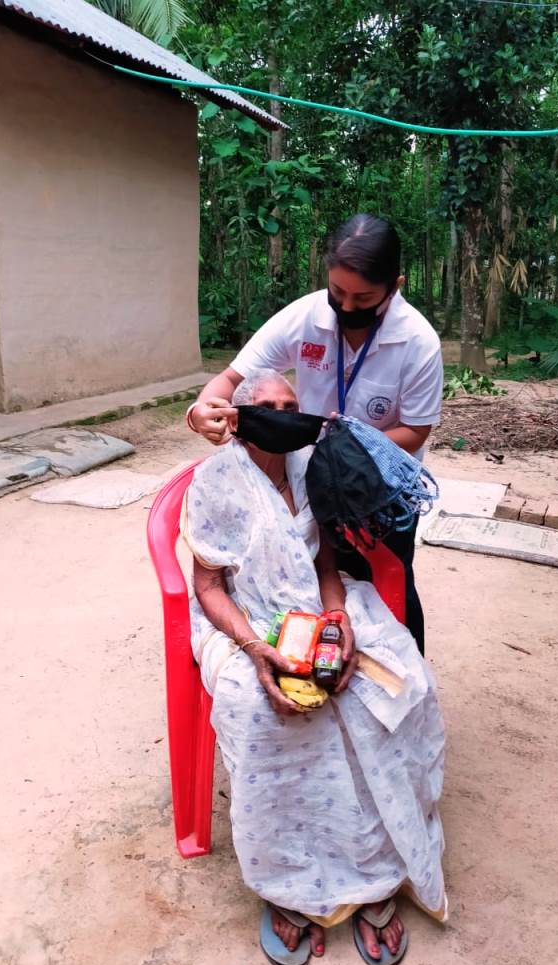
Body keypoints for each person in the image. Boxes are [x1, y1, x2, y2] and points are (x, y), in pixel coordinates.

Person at [183, 369, 446, 965]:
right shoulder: (215, 481)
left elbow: (327, 564)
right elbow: (209, 587)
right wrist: (255, 647)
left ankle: (376, 871)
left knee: (392, 692)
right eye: (268, 406)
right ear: (240, 417)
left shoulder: (310, 468)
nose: (283, 415)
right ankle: (286, 886)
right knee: (264, 715)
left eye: (291, 405)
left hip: (318, 608)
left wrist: (338, 619)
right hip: (246, 620)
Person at [186, 214, 443, 655]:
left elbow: (415, 431)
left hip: (379, 490)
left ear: (395, 286)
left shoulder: (418, 342)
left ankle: (405, 663)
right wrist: (200, 411)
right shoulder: (303, 318)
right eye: (338, 292)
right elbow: (228, 380)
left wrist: (344, 450)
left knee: (390, 581)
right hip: (315, 481)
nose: (347, 306)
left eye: (363, 297)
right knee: (319, 576)